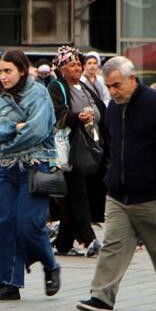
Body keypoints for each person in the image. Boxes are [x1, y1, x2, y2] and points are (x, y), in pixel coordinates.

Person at [76, 56, 156, 311]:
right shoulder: (114, 109)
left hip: (152, 193)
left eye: (117, 85)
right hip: (118, 193)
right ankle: (102, 297)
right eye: (109, 87)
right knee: (113, 245)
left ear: (132, 79)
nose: (113, 92)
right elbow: (110, 145)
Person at [0, 49, 60, 301]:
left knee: (29, 224)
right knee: (3, 224)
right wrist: (14, 128)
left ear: (22, 70)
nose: (3, 76)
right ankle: (7, 283)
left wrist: (6, 142)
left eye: (8, 71)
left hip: (37, 166)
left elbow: (36, 131)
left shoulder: (38, 94)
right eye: (0, 71)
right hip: (7, 168)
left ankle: (50, 264)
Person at [47, 46, 107, 255]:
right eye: (72, 65)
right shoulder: (57, 87)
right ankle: (89, 239)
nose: (77, 68)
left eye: (78, 64)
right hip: (69, 149)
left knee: (72, 195)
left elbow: (101, 109)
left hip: (88, 146)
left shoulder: (84, 86)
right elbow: (57, 112)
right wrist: (77, 117)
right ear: (62, 68)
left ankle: (64, 243)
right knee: (78, 193)